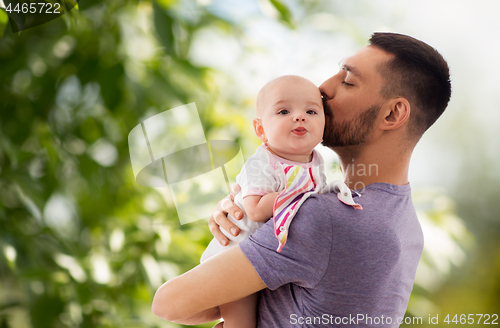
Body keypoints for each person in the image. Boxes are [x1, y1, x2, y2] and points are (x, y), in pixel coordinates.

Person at [151, 32, 451, 327]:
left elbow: (169, 304)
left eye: (347, 80)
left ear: (392, 113)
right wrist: (252, 221)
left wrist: (242, 235)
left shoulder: (322, 216)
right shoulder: (406, 226)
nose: (323, 87)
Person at [200, 75, 361, 328]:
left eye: (311, 111)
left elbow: (316, 196)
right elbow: (254, 210)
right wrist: (303, 197)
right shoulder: (263, 162)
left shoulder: (316, 160)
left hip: (269, 259)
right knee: (241, 322)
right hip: (235, 256)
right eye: (284, 111)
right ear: (261, 130)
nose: (299, 117)